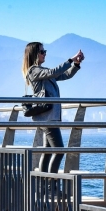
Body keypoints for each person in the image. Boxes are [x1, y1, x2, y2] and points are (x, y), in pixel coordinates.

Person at [22, 42, 84, 173]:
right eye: (42, 52)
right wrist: (70, 60)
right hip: (47, 118)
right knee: (60, 151)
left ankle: (44, 184)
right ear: (34, 54)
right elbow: (54, 72)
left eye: (45, 51)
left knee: (49, 151)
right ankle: (51, 184)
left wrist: (76, 65)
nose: (45, 54)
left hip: (51, 116)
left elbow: (65, 74)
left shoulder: (43, 71)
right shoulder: (33, 71)